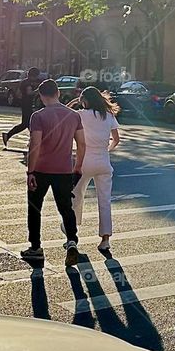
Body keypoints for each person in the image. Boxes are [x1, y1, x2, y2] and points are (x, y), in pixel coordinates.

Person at [21, 79, 85, 268]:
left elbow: (36, 144)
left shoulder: (38, 116)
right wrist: (78, 167)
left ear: (41, 96)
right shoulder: (73, 116)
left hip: (41, 169)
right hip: (64, 170)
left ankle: (36, 247)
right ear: (58, 93)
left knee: (35, 208)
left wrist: (30, 171)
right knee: (65, 207)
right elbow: (82, 144)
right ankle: (72, 240)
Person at [70, 86, 120, 254]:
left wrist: (74, 102)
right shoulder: (108, 115)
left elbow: (64, 112)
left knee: (77, 196)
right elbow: (116, 139)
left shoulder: (81, 115)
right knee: (104, 201)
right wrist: (107, 150)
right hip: (104, 162)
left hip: (84, 161)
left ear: (85, 101)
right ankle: (105, 239)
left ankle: (72, 234)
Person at [3, 68, 41, 149]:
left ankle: (32, 141)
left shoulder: (25, 82)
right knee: (27, 124)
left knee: (29, 124)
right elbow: (29, 93)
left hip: (26, 105)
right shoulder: (27, 83)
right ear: (33, 76)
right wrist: (38, 90)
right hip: (27, 105)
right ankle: (9, 135)